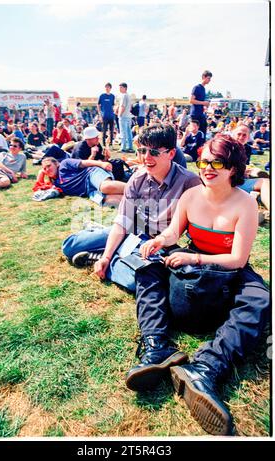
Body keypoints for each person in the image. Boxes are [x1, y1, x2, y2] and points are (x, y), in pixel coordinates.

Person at [125, 134, 269, 436]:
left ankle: (207, 368)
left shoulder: (246, 204)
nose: (208, 167)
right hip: (193, 257)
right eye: (203, 161)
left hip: (224, 267)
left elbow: (238, 259)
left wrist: (197, 259)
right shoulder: (191, 196)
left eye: (217, 162)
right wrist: (159, 241)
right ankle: (156, 347)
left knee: (259, 298)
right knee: (148, 270)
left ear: (233, 167)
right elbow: (173, 234)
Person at [62, 124, 200, 291]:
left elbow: (192, 228)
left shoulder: (190, 182)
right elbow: (123, 222)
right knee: (70, 246)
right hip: (132, 230)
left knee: (137, 280)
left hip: (158, 243)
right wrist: (106, 257)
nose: (146, 157)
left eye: (154, 152)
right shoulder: (137, 179)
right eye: (142, 151)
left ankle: (112, 256)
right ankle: (110, 254)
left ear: (171, 154)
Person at [37, 155, 125, 206]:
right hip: (89, 191)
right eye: (45, 168)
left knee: (105, 187)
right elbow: (39, 186)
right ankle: (136, 201)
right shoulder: (56, 184)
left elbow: (84, 163)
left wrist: (101, 163)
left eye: (49, 166)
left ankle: (137, 188)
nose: (47, 169)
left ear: (56, 164)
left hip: (91, 174)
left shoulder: (64, 164)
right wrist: (41, 172)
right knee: (106, 200)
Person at [232, 124, 269, 211]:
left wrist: (245, 170)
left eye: (244, 135)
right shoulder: (227, 147)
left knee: (265, 183)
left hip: (241, 179)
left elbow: (244, 165)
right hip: (230, 183)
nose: (241, 137)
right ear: (233, 134)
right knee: (265, 182)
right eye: (239, 134)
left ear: (248, 137)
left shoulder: (247, 148)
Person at [189, 70, 212, 139]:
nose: (209, 80)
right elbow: (191, 100)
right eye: (208, 78)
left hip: (200, 113)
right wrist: (203, 103)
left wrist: (204, 105)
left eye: (210, 79)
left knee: (203, 132)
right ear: (203, 77)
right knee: (196, 134)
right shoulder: (197, 87)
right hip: (195, 114)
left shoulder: (203, 89)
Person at [118, 83, 134, 153]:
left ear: (125, 88)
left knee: (123, 132)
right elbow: (130, 107)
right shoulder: (129, 96)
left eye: (121, 87)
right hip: (128, 116)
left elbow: (122, 106)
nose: (119, 89)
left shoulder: (124, 96)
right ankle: (130, 147)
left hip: (123, 116)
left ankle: (123, 147)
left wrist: (119, 114)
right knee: (129, 132)